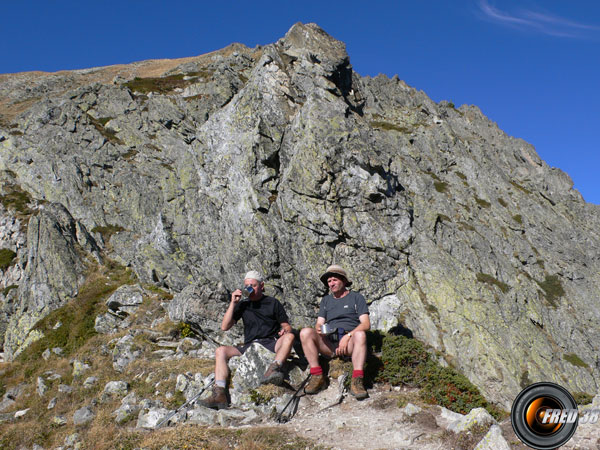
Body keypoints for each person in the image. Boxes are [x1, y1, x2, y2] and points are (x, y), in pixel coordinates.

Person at [200, 270, 295, 409]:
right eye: (247, 285)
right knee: (220, 351)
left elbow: (286, 326)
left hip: (270, 342)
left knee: (290, 337)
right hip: (249, 345)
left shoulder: (273, 302)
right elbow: (225, 326)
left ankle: (274, 369)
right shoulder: (243, 304)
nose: (250, 288)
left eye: (253, 285)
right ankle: (219, 393)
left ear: (262, 286)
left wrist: (285, 330)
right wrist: (233, 303)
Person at [299, 265, 370, 399]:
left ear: (343, 280)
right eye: (329, 281)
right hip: (330, 342)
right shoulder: (326, 300)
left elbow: (366, 324)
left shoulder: (356, 298)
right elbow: (319, 322)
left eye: (334, 280)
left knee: (360, 334)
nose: (331, 284)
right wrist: (319, 328)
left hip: (349, 342)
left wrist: (348, 336)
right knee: (305, 332)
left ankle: (357, 380)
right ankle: (317, 375)